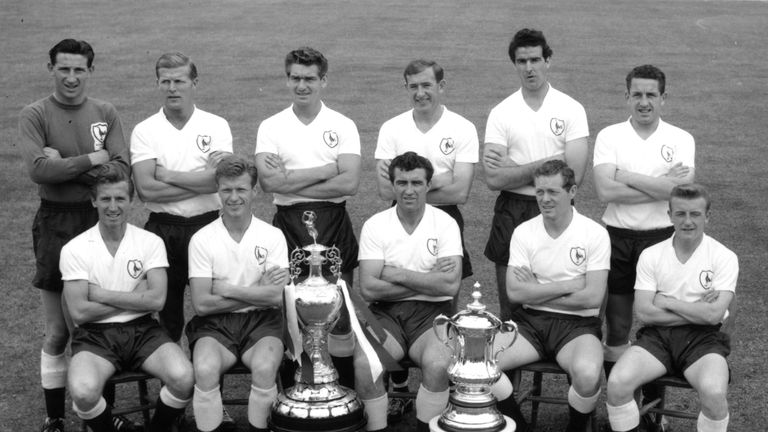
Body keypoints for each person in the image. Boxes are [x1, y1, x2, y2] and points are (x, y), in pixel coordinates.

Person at [18, 38, 130, 432]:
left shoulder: (105, 112)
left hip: (101, 220)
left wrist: (65, 163)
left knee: (102, 323)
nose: (70, 77)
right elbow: (38, 171)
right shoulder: (34, 114)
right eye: (63, 68)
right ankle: (54, 417)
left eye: (78, 69)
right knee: (59, 330)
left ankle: (103, 413)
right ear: (51, 68)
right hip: (56, 223)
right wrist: (92, 161)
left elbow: (119, 171)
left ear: (90, 71)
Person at [374, 58, 478, 421]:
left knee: (444, 294)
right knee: (390, 293)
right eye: (412, 86)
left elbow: (461, 191)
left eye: (426, 85)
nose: (420, 92)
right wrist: (430, 188)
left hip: (446, 219)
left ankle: (442, 375)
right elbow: (382, 186)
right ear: (406, 88)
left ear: (441, 86)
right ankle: (400, 384)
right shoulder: (392, 128)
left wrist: (410, 191)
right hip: (397, 222)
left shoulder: (462, 127)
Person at [255, 47, 361, 386]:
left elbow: (351, 181)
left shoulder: (342, 125)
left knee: (339, 309)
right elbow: (270, 183)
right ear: (287, 80)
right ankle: (293, 387)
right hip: (287, 222)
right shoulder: (271, 126)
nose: (302, 85)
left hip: (334, 219)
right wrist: (327, 169)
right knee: (290, 307)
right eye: (295, 78)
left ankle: (341, 388)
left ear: (323, 80)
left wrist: (293, 179)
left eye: (309, 78)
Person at [62, 165, 194, 432]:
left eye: (120, 198)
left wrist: (99, 293)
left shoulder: (149, 242)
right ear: (93, 200)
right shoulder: (74, 248)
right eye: (106, 199)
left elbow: (156, 301)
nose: (113, 206)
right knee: (84, 391)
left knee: (184, 377)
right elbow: (79, 313)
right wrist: (135, 296)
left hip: (143, 330)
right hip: (94, 335)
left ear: (130, 200)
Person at [490, 160, 609, 432]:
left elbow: (592, 298)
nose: (544, 199)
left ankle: (576, 429)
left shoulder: (595, 234)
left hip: (577, 326)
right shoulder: (524, 231)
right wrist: (568, 285)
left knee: (588, 373)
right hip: (530, 321)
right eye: (540, 191)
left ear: (572, 191)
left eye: (553, 192)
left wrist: (537, 290)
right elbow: (515, 293)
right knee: (480, 363)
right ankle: (519, 427)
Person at [606, 184, 736, 432]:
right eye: (680, 214)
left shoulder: (724, 256)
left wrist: (667, 302)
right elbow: (644, 312)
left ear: (707, 216)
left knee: (714, 392)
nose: (688, 221)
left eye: (695, 214)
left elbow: (714, 315)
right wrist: (695, 310)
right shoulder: (651, 255)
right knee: (618, 383)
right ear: (669, 215)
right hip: (657, 338)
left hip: (704, 340)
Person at [593, 64, 695, 379]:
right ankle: (617, 403)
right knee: (619, 325)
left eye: (651, 94)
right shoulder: (610, 135)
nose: (644, 101)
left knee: (661, 324)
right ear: (627, 96)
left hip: (663, 239)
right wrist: (660, 184)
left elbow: (678, 192)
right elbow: (604, 190)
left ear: (664, 98)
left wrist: (625, 176)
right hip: (618, 238)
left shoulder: (680, 139)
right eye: (637, 94)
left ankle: (653, 410)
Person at [482, 28, 589, 322]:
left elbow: (575, 175)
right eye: (521, 61)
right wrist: (553, 162)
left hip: (558, 209)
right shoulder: (501, 112)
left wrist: (514, 168)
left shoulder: (571, 109)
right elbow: (493, 180)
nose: (529, 68)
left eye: (535, 60)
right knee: (510, 310)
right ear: (514, 64)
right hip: (511, 210)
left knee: (560, 302)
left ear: (548, 60)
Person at [354, 152, 462, 432]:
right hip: (385, 313)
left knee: (439, 364)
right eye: (402, 182)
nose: (409, 190)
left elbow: (450, 286)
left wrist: (395, 273)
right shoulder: (376, 225)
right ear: (393, 185)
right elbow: (368, 288)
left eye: (416, 182)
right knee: (367, 363)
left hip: (433, 315)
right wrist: (428, 279)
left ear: (428, 185)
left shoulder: (445, 223)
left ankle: (427, 427)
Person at [130, 52, 233, 342]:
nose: (172, 88)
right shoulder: (145, 130)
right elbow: (146, 189)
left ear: (194, 83)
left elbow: (219, 181)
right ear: (158, 84)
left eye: (179, 81)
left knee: (211, 306)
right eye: (165, 81)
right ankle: (173, 381)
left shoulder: (216, 125)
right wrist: (202, 180)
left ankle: (208, 377)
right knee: (167, 310)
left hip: (209, 225)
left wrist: (168, 175)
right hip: (163, 228)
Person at [186, 155, 289, 432]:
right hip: (215, 324)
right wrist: (258, 289)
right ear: (217, 191)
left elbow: (274, 298)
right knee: (205, 369)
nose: (233, 197)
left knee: (266, 367)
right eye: (226, 190)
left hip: (263, 320)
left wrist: (228, 288)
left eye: (241, 189)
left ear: (254, 191)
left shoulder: (272, 236)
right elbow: (202, 304)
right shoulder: (202, 239)